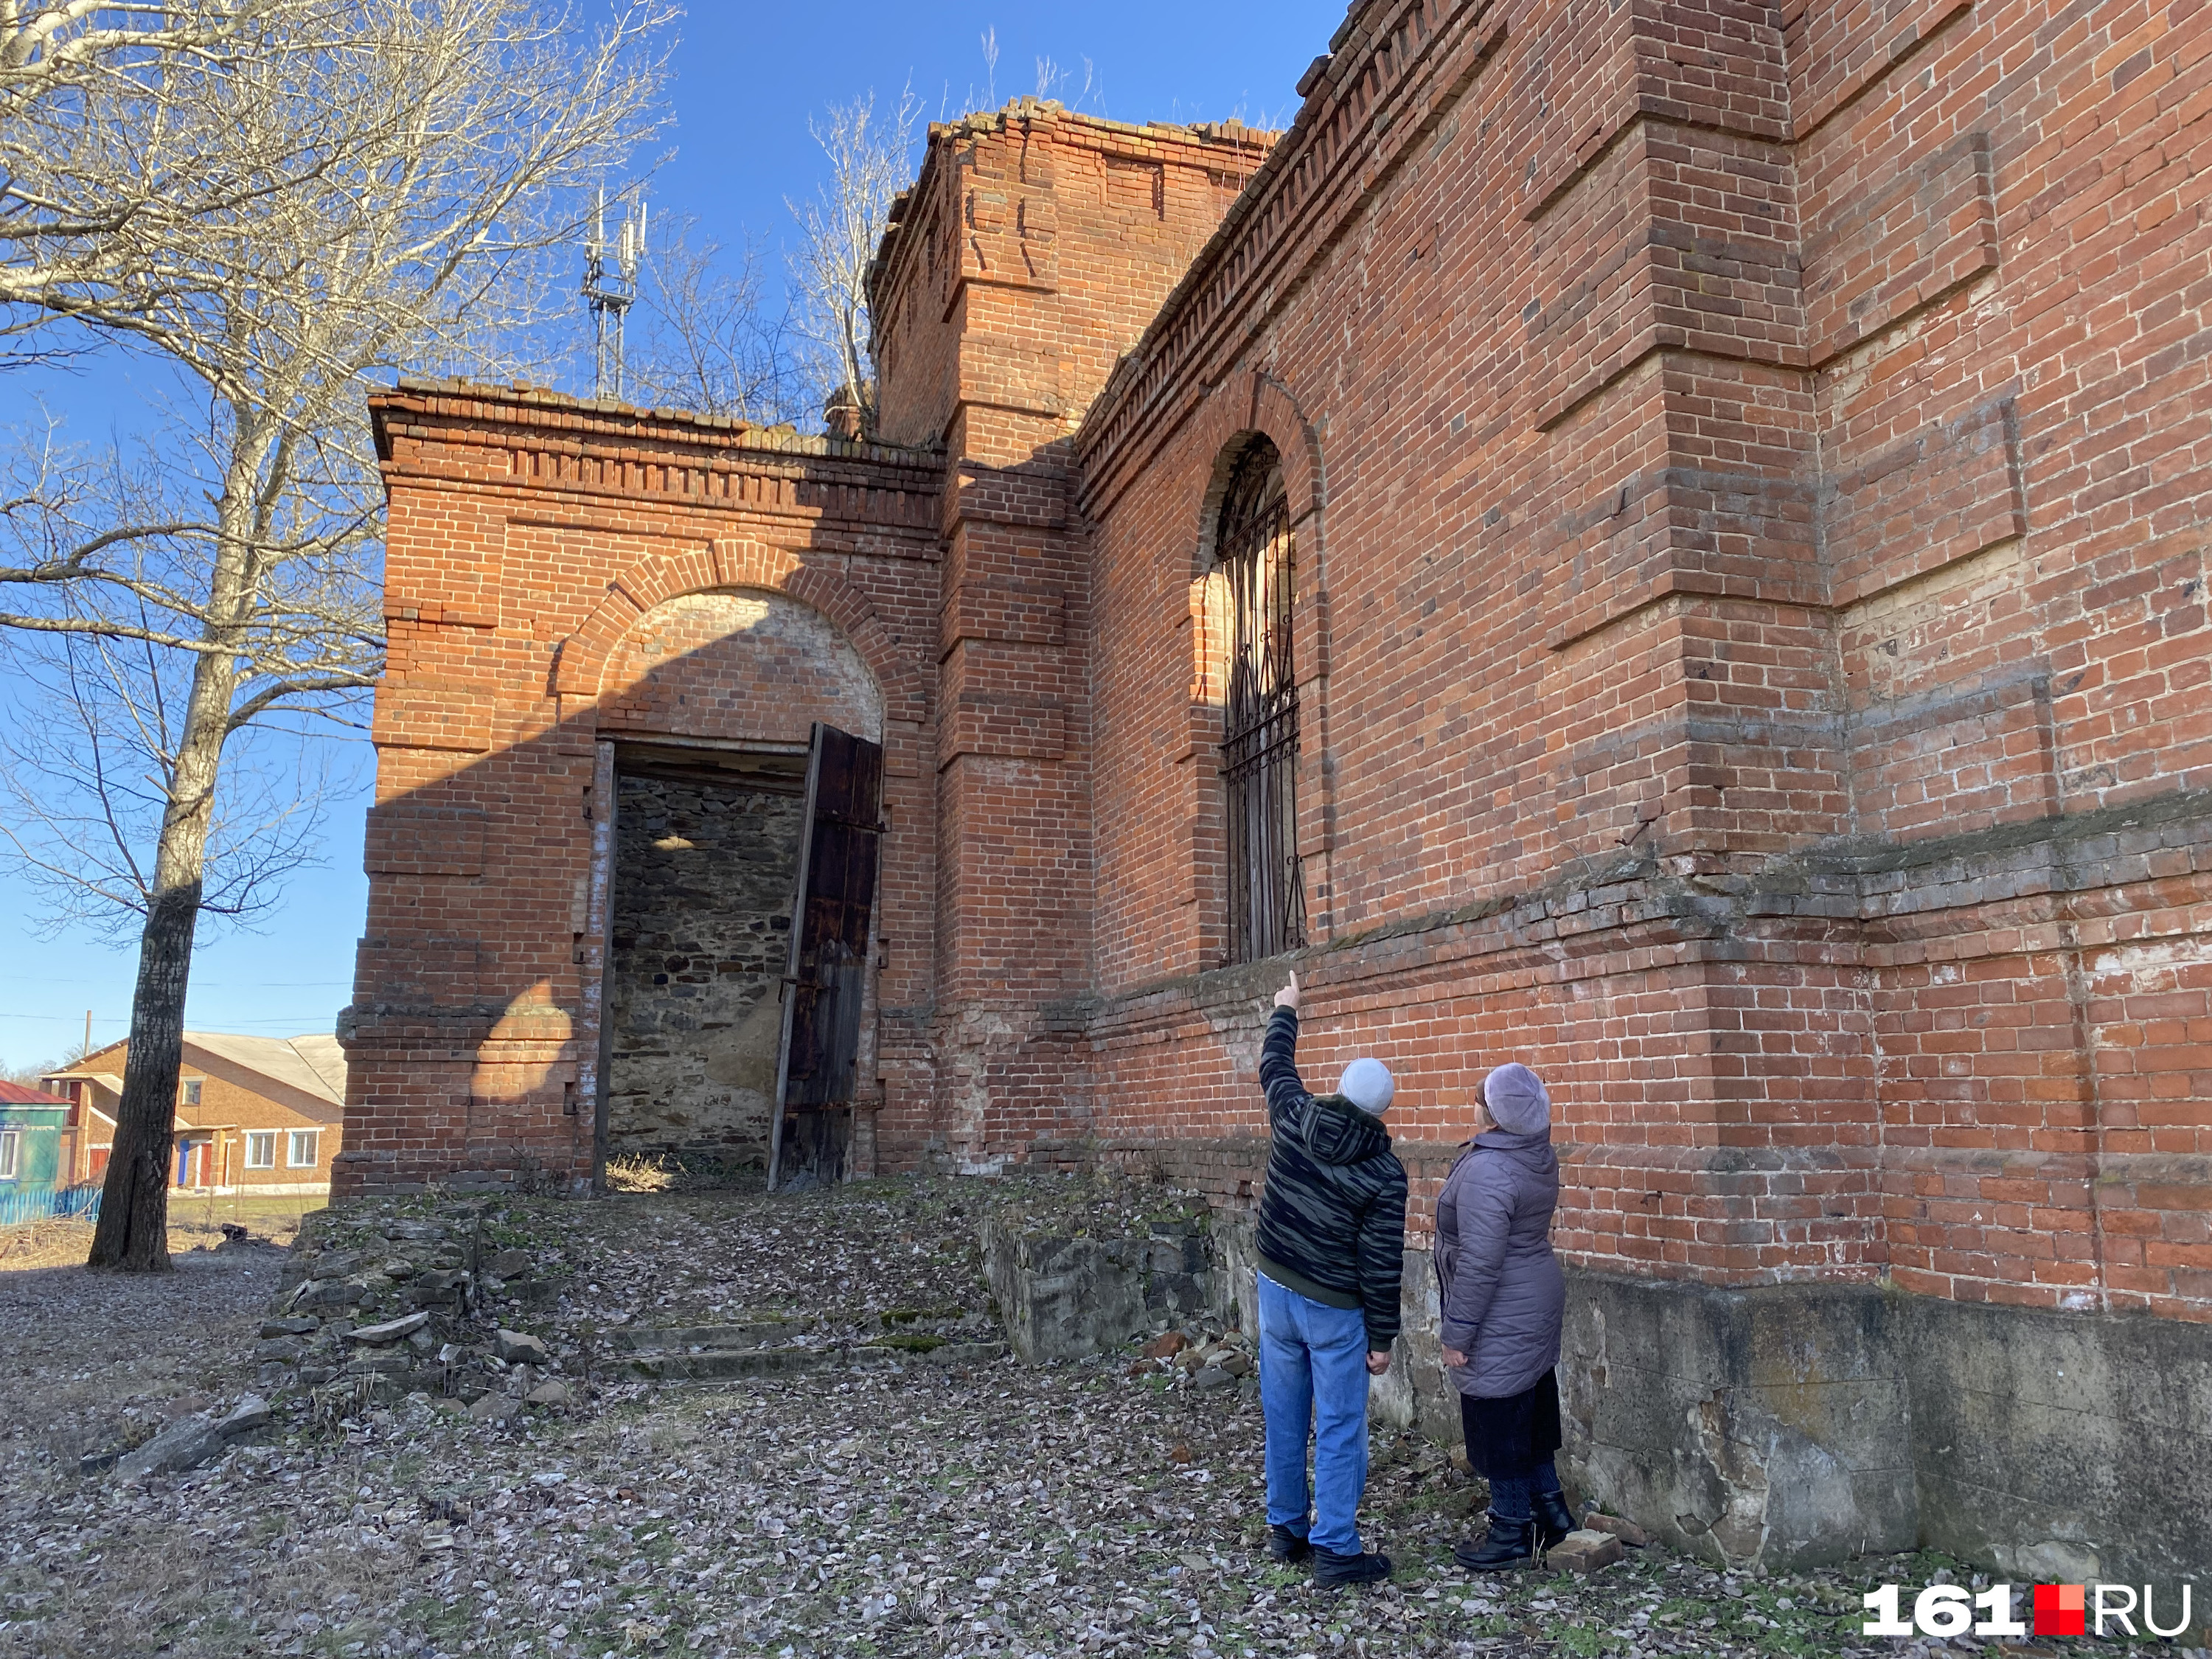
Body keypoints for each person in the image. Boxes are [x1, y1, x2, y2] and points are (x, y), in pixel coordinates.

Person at [1251, 969, 1407, 1587]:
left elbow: (1275, 1065)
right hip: (1333, 1307)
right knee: (1341, 1424)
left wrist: (1287, 1008)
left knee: (1283, 1410)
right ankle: (1336, 1547)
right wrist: (1383, 1339)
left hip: (1274, 1288)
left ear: (1338, 1089)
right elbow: (1381, 1262)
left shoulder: (1295, 1115)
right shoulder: (1385, 1173)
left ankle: (1286, 1527)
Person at [1437, 1060, 1572, 1569]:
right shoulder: (1535, 1153)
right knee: (1531, 1406)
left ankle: (1511, 1530)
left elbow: (1480, 1260)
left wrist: (1458, 1333)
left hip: (1502, 1304)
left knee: (1496, 1413)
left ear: (1492, 1114)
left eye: (1479, 1100)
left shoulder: (1490, 1168)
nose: (1473, 1107)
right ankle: (1554, 1515)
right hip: (1534, 1292)